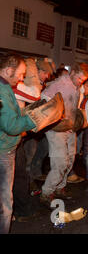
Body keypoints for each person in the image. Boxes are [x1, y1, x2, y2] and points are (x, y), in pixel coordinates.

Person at [0, 55, 62, 233]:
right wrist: (34, 120)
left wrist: (25, 114)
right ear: (7, 71)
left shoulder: (6, 87)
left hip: (5, 147)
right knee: (5, 203)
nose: (21, 78)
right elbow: (11, 126)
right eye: (20, 74)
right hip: (3, 151)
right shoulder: (2, 91)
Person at [39, 63, 88, 207]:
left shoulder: (77, 87)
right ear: (72, 72)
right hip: (56, 129)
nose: (81, 82)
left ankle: (60, 187)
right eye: (80, 79)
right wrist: (56, 114)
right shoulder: (60, 82)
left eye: (83, 80)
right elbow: (43, 98)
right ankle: (47, 192)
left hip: (70, 128)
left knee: (70, 160)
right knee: (60, 162)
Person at [67, 78, 88, 184]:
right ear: (87, 86)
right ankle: (68, 174)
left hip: (73, 125)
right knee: (71, 150)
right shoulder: (79, 94)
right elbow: (76, 111)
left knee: (73, 149)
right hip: (71, 125)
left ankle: (69, 173)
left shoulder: (81, 94)